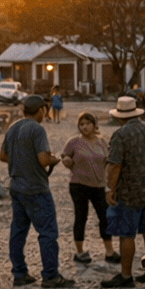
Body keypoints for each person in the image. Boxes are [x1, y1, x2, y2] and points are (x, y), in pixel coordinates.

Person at [0, 94, 75, 288]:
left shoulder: (13, 127)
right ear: (41, 110)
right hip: (36, 189)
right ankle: (50, 275)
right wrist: (54, 159)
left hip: (17, 188)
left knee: (18, 232)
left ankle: (19, 273)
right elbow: (43, 159)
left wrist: (21, 163)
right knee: (48, 232)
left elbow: (3, 156)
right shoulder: (37, 129)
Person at [101, 95, 145, 288]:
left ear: (120, 116)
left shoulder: (120, 135)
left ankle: (125, 275)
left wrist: (110, 189)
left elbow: (115, 165)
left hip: (130, 192)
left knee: (127, 234)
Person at [61, 111, 118, 265]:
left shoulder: (101, 142)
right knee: (81, 217)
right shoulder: (73, 142)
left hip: (99, 185)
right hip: (78, 184)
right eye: (81, 124)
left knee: (105, 217)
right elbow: (65, 156)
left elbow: (108, 161)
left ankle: (109, 251)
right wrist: (66, 160)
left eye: (87, 123)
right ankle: (79, 252)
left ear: (94, 125)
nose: (85, 127)